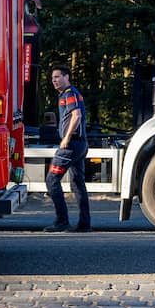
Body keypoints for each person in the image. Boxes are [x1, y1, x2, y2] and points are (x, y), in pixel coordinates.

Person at [43, 64, 91, 233]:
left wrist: (66, 137)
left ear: (66, 77)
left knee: (51, 180)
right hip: (79, 144)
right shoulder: (67, 94)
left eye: (57, 77)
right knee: (77, 183)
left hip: (71, 146)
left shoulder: (70, 93)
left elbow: (76, 115)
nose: (54, 81)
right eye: (52, 78)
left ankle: (62, 221)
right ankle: (85, 224)